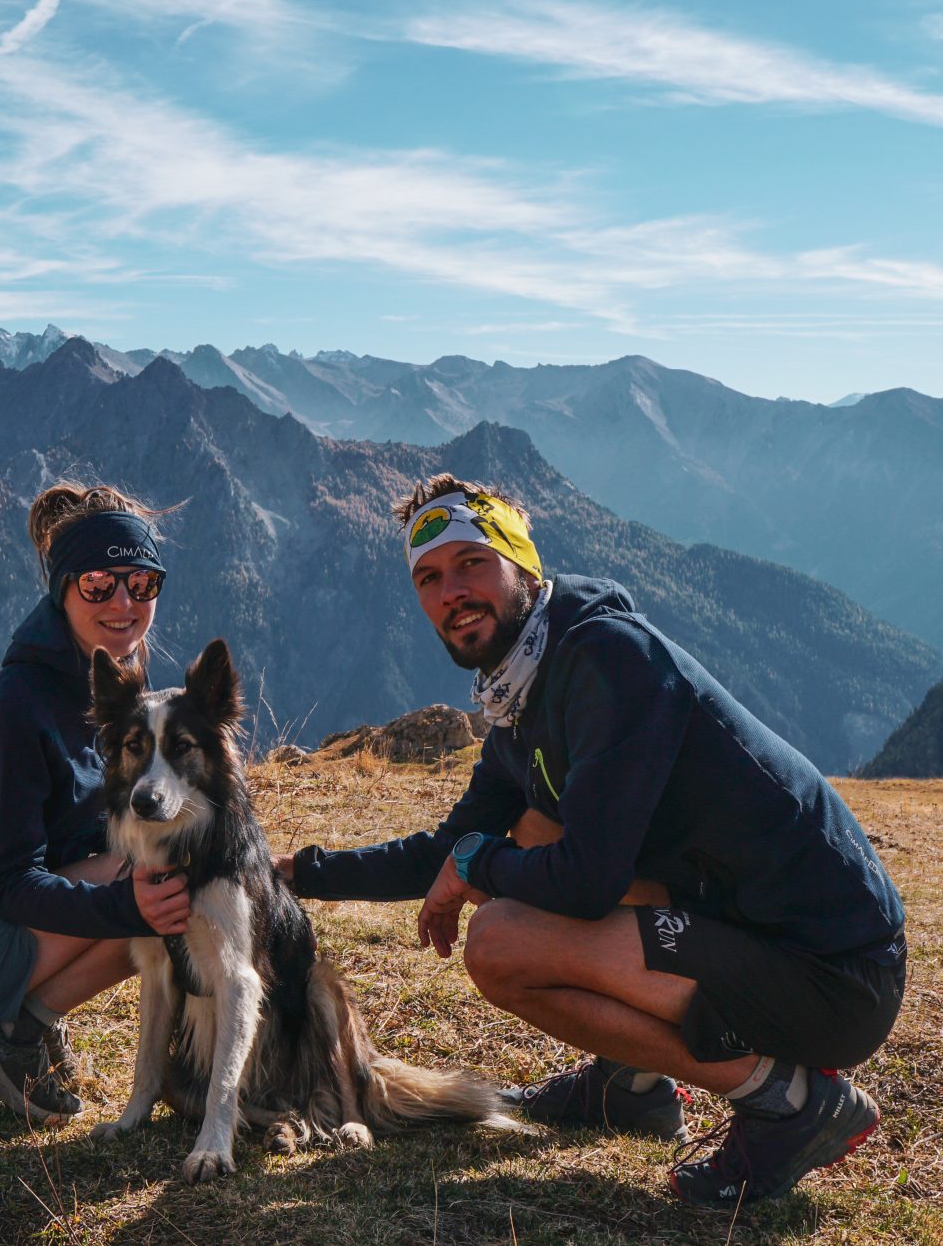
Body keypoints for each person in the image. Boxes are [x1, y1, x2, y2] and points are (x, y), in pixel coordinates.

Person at [277, 476, 907, 1207]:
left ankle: (791, 1101)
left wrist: (479, 864)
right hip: (744, 929)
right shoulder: (521, 698)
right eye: (430, 578)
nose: (452, 592)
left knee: (500, 944)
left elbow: (584, 882)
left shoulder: (611, 659)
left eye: (471, 563)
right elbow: (447, 848)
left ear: (522, 564)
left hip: (831, 977)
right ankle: (629, 1085)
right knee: (538, 825)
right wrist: (295, 872)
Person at [0, 483, 192, 1123]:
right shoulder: (18, 707)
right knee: (160, 885)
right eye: (97, 584)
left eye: (141, 583)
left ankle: (22, 1031)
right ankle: (19, 1033)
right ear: (62, 589)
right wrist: (125, 903)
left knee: (172, 863)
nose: (123, 602)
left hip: (10, 922)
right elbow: (11, 884)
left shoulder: (112, 679)